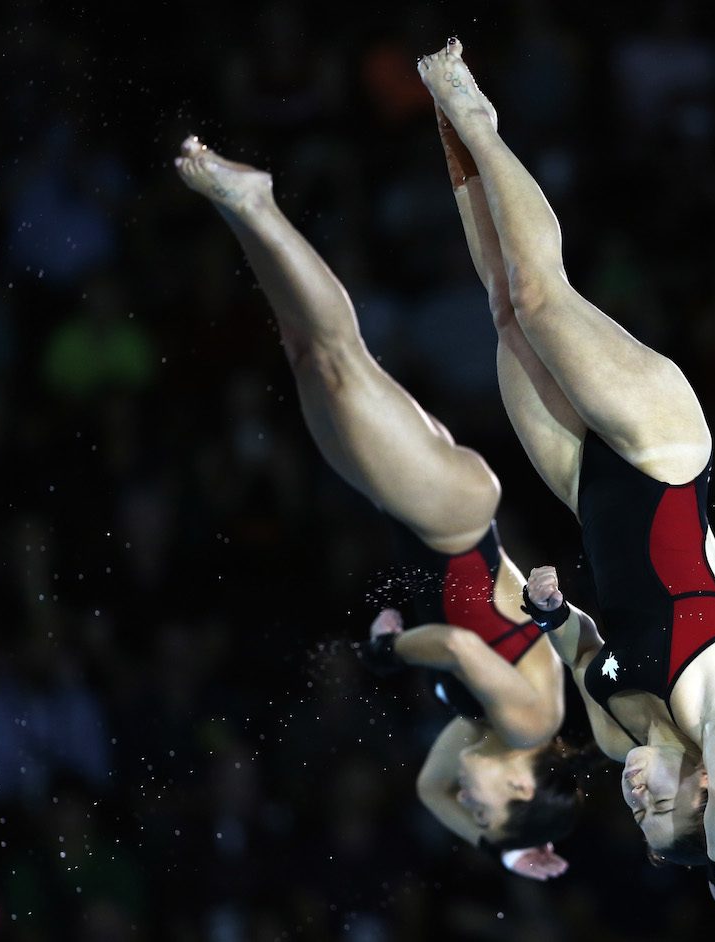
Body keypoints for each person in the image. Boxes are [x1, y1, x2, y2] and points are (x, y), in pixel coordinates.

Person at [422, 40, 715, 914]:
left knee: (507, 310)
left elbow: (584, 640)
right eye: (665, 807)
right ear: (702, 791)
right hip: (661, 450)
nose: (638, 797)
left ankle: (452, 132)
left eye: (638, 816)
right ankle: (480, 116)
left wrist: (551, 613)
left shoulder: (622, 739)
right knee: (546, 299)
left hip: (589, 483)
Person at [174, 134, 579, 878]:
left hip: (417, 516)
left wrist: (506, 846)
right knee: (339, 355)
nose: (468, 798)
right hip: (450, 521)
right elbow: (456, 647)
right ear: (523, 784)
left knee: (306, 351)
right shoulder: (530, 720)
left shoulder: (484, 736)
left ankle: (239, 211)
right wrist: (389, 651)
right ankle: (256, 203)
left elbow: (430, 793)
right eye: (485, 806)